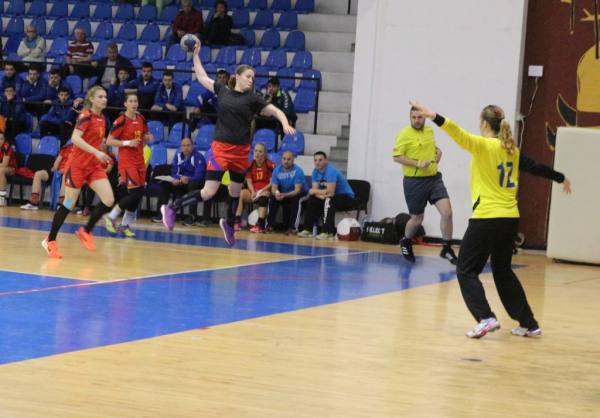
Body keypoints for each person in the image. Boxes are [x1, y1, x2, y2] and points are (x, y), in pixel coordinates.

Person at [409, 101, 572, 339]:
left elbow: (456, 132)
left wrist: (433, 115)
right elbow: (536, 167)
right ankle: (529, 324)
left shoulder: (483, 145)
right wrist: (560, 177)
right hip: (509, 219)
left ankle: (485, 318)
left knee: (465, 269)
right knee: (503, 271)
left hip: (487, 218)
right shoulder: (511, 150)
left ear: (484, 123)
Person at [160, 40, 295, 247]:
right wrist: (195, 55)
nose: (251, 80)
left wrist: (285, 123)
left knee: (235, 192)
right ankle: (172, 208)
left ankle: (229, 224)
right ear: (237, 76)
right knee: (209, 191)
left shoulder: (254, 99)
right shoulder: (223, 91)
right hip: (221, 149)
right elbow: (202, 77)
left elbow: (276, 111)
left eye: (253, 77)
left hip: (241, 152)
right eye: (248, 76)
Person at [42, 86, 114, 259]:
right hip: (77, 166)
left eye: (105, 96)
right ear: (92, 99)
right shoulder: (85, 116)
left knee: (109, 199)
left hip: (93, 167)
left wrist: (102, 154)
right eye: (100, 96)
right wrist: (96, 152)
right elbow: (75, 138)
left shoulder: (103, 118)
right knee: (69, 204)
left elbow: (96, 141)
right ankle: (50, 240)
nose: (104, 99)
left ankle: (85, 231)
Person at [393, 106, 458, 264]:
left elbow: (430, 148)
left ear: (425, 118)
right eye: (413, 117)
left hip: (434, 179)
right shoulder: (404, 134)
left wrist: (438, 151)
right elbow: (397, 156)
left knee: (447, 213)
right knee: (417, 219)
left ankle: (446, 248)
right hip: (414, 182)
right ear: (410, 118)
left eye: (419, 117)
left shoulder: (429, 131)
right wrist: (417, 164)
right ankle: (406, 241)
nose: (417, 120)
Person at [105, 93, 153, 237]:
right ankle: (111, 216)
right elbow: (109, 141)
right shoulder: (121, 120)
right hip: (127, 162)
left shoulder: (141, 118)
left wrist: (148, 137)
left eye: (136, 101)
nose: (134, 103)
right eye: (131, 101)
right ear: (125, 104)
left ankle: (125, 225)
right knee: (134, 194)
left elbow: (144, 135)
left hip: (140, 161)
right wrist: (128, 143)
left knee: (138, 195)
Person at [297, 151, 356, 240]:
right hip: (330, 197)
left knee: (329, 200)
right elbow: (315, 193)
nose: (317, 162)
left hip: (346, 198)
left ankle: (328, 232)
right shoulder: (315, 171)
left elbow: (330, 192)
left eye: (320, 160)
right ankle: (307, 230)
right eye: (315, 160)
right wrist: (321, 195)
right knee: (312, 200)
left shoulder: (331, 171)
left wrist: (315, 192)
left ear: (326, 160)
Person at [152, 137, 206, 224]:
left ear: (192, 146)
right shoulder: (178, 156)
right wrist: (178, 179)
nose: (186, 148)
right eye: (183, 146)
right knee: (165, 184)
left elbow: (199, 175)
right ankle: (162, 214)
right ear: (181, 147)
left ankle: (192, 216)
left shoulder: (199, 157)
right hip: (181, 183)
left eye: (188, 145)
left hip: (194, 184)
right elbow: (174, 172)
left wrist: (188, 179)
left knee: (193, 185)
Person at [234, 142, 275, 232]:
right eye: (255, 151)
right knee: (241, 193)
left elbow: (272, 183)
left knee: (264, 196)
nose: (257, 153)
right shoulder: (250, 164)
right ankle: (237, 221)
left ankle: (260, 224)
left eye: (260, 151)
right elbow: (249, 181)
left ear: (265, 154)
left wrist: (260, 191)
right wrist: (253, 192)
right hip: (254, 191)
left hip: (265, 190)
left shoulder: (270, 165)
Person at [267, 150, 307, 234]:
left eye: (289, 159)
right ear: (281, 159)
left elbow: (297, 191)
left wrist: (284, 195)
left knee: (296, 199)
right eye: (284, 159)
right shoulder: (276, 171)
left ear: (293, 160)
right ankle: (269, 225)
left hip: (299, 194)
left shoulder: (298, 171)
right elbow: (273, 189)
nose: (286, 161)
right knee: (272, 198)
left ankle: (293, 228)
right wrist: (276, 194)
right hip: (284, 193)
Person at [0, 133, 16, 207]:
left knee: (1, 171)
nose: (0, 141)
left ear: (4, 140)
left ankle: (2, 199)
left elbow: (4, 164)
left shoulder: (7, 148)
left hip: (11, 168)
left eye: (1, 139)